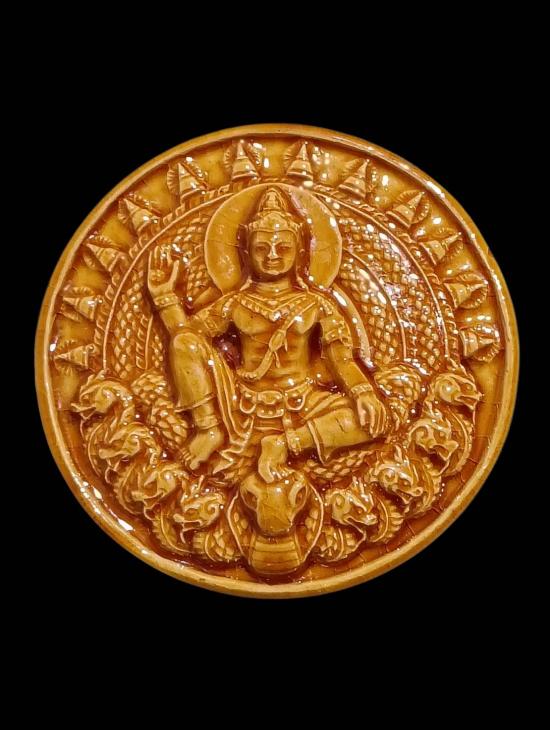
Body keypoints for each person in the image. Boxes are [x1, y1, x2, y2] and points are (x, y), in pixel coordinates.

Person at [147, 186, 388, 484]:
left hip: (304, 404)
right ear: (247, 253)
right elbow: (186, 342)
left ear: (300, 253)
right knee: (184, 341)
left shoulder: (316, 304)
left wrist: (364, 393)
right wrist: (165, 299)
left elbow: (342, 360)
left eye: (283, 248)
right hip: (241, 406)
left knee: (371, 421)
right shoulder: (235, 304)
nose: (272, 255)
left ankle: (286, 444)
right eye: (262, 248)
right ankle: (209, 429)